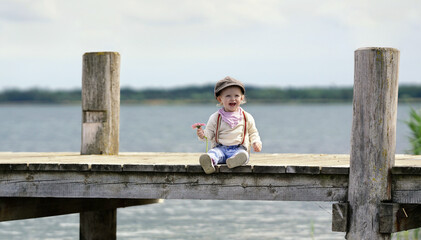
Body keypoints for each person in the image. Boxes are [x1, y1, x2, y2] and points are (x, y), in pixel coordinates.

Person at [196, 76, 262, 174]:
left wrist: (256, 142)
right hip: (220, 148)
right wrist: (203, 135)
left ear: (242, 98)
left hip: (239, 148)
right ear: (220, 99)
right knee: (213, 153)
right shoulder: (216, 117)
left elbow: (253, 132)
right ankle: (209, 162)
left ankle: (235, 161)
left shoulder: (246, 117)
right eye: (228, 96)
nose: (233, 99)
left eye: (236, 96)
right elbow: (209, 133)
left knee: (243, 155)